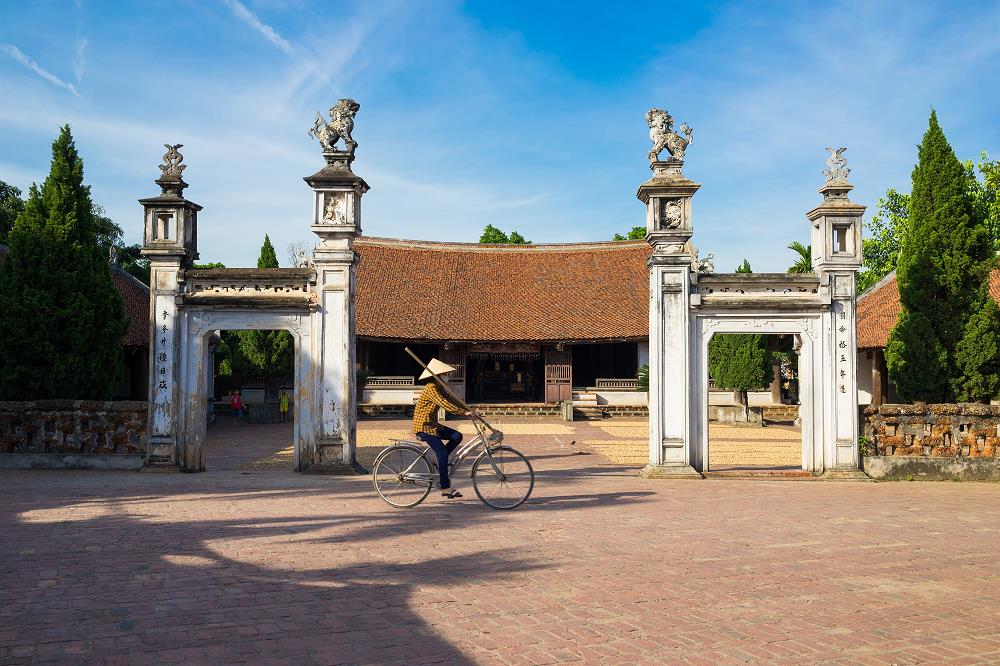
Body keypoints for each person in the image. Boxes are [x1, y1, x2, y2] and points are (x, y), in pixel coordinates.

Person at [412, 358, 473, 499]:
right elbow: (445, 404)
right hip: (424, 426)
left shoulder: (439, 387)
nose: (447, 376)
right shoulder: (431, 388)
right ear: (438, 375)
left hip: (433, 425)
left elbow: (452, 399)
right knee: (443, 455)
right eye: (445, 373)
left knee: (457, 436)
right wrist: (464, 413)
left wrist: (469, 409)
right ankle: (445, 487)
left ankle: (438, 461)